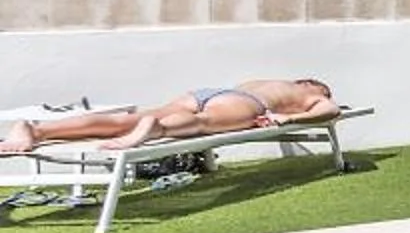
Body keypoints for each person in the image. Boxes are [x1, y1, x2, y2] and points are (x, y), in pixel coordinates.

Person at [0, 79, 339, 157]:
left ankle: (38, 130)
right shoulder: (312, 94)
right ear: (314, 86)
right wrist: (286, 120)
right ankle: (155, 130)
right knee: (202, 124)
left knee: (123, 121)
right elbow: (329, 112)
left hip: (207, 91)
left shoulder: (272, 80)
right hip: (246, 103)